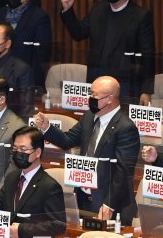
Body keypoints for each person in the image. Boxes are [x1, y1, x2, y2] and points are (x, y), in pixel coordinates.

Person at [35, 76, 140, 224]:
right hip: (82, 197)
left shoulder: (126, 128)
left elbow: (123, 172)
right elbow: (68, 140)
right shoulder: (89, 116)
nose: (89, 98)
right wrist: (47, 127)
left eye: (94, 95)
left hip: (107, 203)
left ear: (109, 99)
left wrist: (109, 204)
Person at [60, 0, 154, 104]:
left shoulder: (141, 16)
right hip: (96, 82)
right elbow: (78, 33)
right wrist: (67, 10)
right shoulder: (99, 9)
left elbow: (148, 55)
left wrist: (146, 90)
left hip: (125, 85)